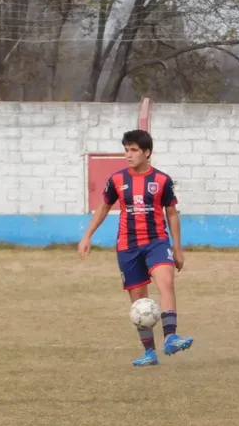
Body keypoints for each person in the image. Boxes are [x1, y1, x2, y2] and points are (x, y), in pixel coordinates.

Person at [77, 129, 193, 367]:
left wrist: (178, 249)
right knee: (139, 302)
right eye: (126, 150)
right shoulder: (117, 180)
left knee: (166, 283)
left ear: (147, 152)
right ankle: (149, 352)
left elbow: (172, 214)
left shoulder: (162, 180)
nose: (128, 154)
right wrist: (87, 235)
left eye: (134, 150)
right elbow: (103, 207)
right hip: (127, 246)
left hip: (157, 242)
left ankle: (171, 336)